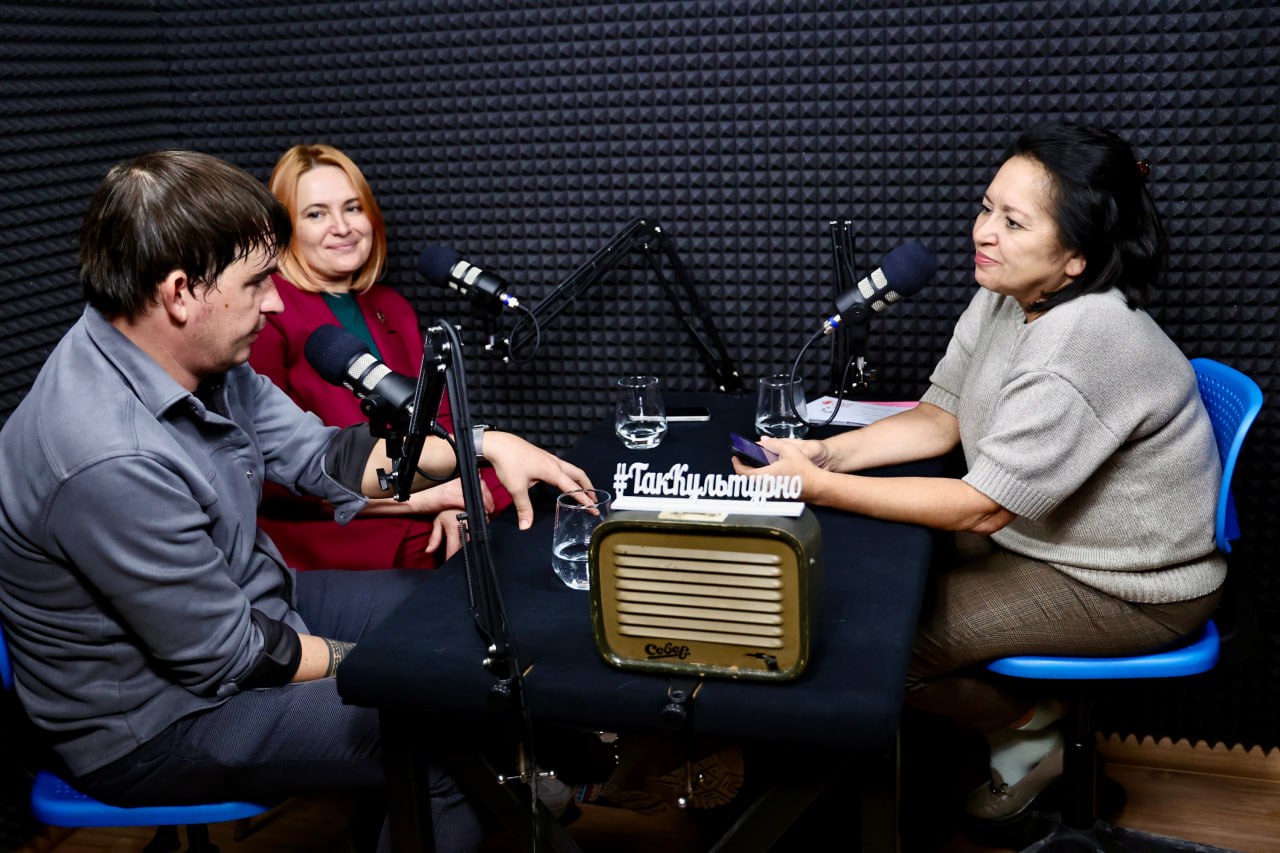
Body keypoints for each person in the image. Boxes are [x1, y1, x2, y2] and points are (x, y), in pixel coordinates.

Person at [0, 149, 592, 851]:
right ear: (181, 293)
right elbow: (233, 657)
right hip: (157, 722)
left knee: (454, 609)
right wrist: (393, 668)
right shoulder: (106, 455)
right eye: (258, 282)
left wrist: (483, 445)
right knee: (445, 739)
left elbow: (325, 456)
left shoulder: (194, 356)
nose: (278, 302)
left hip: (251, 606)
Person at [733, 123, 1224, 824]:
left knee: (877, 648)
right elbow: (942, 416)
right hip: (1045, 539)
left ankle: (1030, 728)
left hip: (1129, 586)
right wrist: (828, 456)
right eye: (987, 207)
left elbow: (983, 505)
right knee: (864, 589)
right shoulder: (1007, 293)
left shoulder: (1082, 344)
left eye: (1014, 222)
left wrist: (816, 487)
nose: (983, 232)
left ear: (1076, 258)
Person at [249, 143, 507, 570]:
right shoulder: (269, 314)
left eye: (352, 208)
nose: (342, 227)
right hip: (337, 526)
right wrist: (427, 499)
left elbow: (438, 424)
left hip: (420, 496)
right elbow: (275, 475)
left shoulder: (391, 306)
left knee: (521, 491)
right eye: (316, 214)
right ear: (286, 230)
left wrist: (456, 498)